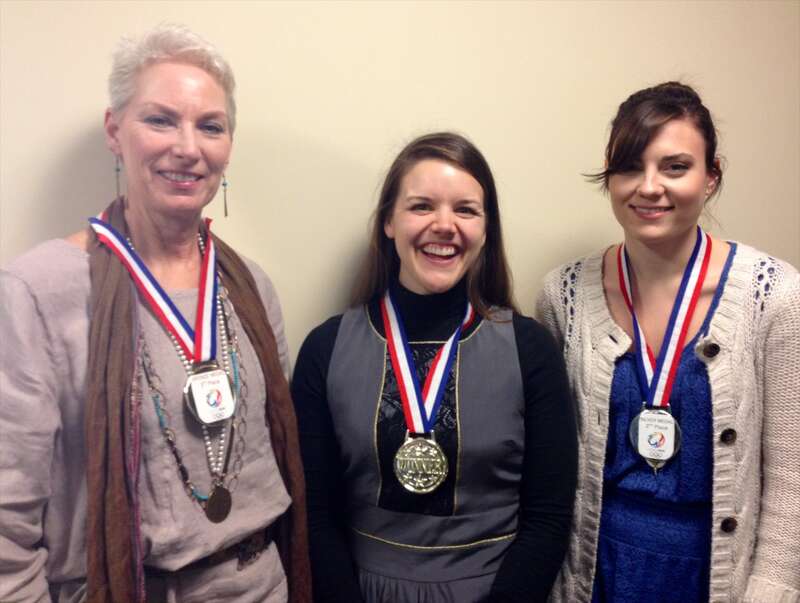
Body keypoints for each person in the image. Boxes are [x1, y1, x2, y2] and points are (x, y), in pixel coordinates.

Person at [0, 24, 310, 602]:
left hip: (261, 585)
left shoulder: (250, 288)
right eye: (161, 119)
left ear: (228, 147)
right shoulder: (38, 293)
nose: (188, 147)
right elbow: (6, 525)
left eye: (210, 126)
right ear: (115, 131)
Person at [537, 82, 800, 602]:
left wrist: (770, 592)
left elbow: (792, 478)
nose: (648, 187)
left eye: (675, 167)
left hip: (714, 576)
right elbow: (548, 466)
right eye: (630, 167)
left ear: (710, 177)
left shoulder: (774, 297)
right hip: (593, 572)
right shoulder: (562, 295)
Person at [291, 132, 577, 602]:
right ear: (388, 222)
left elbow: (548, 517)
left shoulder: (531, 350)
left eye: (465, 210)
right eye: (422, 206)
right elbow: (315, 514)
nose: (444, 225)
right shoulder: (325, 348)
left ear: (486, 229)